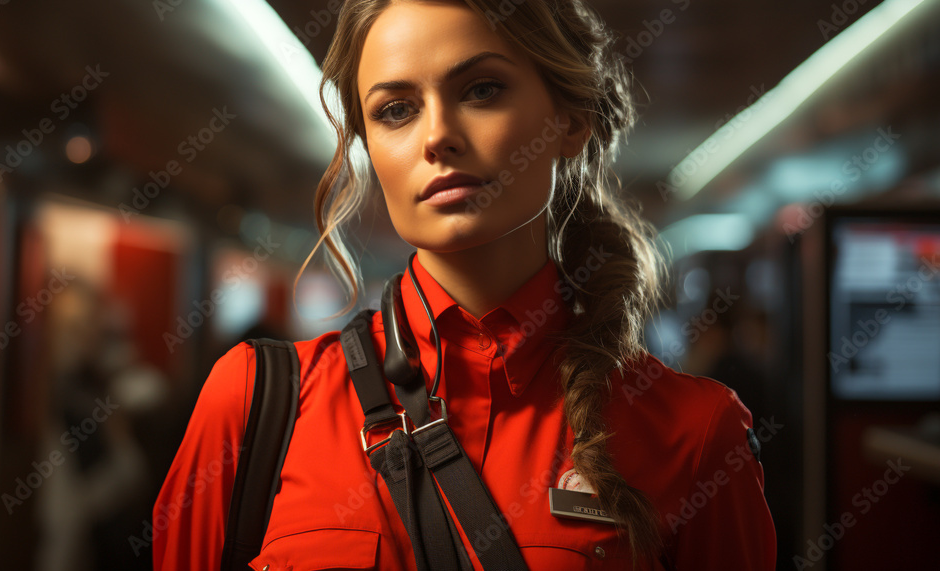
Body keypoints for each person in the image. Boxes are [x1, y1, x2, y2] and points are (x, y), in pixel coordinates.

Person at [152, 0, 777, 569]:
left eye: (482, 89)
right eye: (395, 110)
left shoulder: (694, 434)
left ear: (569, 117)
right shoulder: (256, 405)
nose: (436, 136)